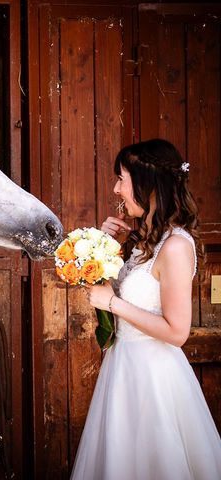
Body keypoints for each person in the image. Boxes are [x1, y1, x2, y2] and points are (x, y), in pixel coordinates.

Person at [71, 138, 221, 479]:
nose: (116, 188)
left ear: (148, 184)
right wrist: (107, 248)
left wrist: (113, 303)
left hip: (153, 378)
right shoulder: (146, 242)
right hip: (123, 369)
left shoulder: (176, 247)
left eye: (122, 178)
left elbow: (177, 332)